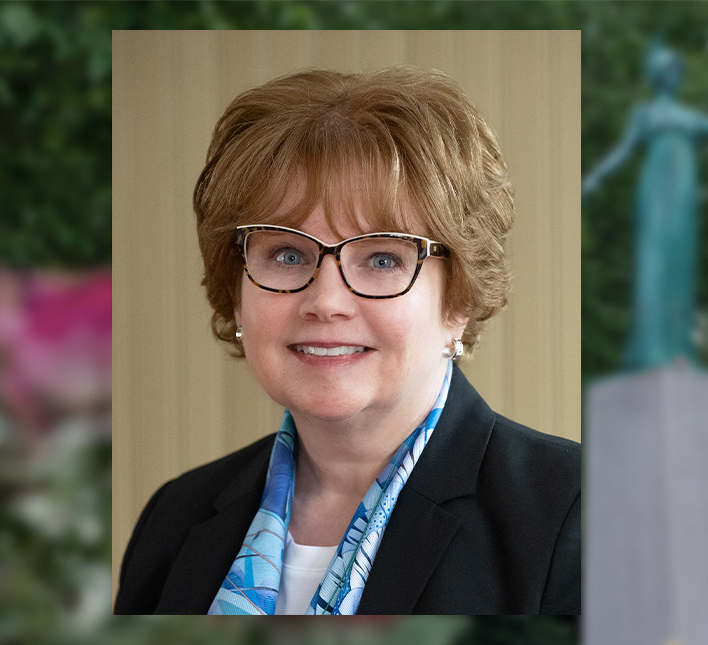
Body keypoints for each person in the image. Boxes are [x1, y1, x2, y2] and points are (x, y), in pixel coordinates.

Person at [115, 66, 580, 615]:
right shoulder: (175, 517)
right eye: (288, 254)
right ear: (236, 292)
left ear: (458, 299)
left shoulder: (576, 511)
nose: (326, 301)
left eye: (382, 258)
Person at [582, 39, 708, 370]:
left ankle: (678, 349)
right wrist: (594, 178)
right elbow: (623, 150)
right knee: (654, 263)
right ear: (658, 75)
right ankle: (650, 348)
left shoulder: (688, 116)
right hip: (656, 189)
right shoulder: (645, 113)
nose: (675, 75)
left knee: (680, 266)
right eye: (669, 70)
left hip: (683, 196)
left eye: (677, 70)